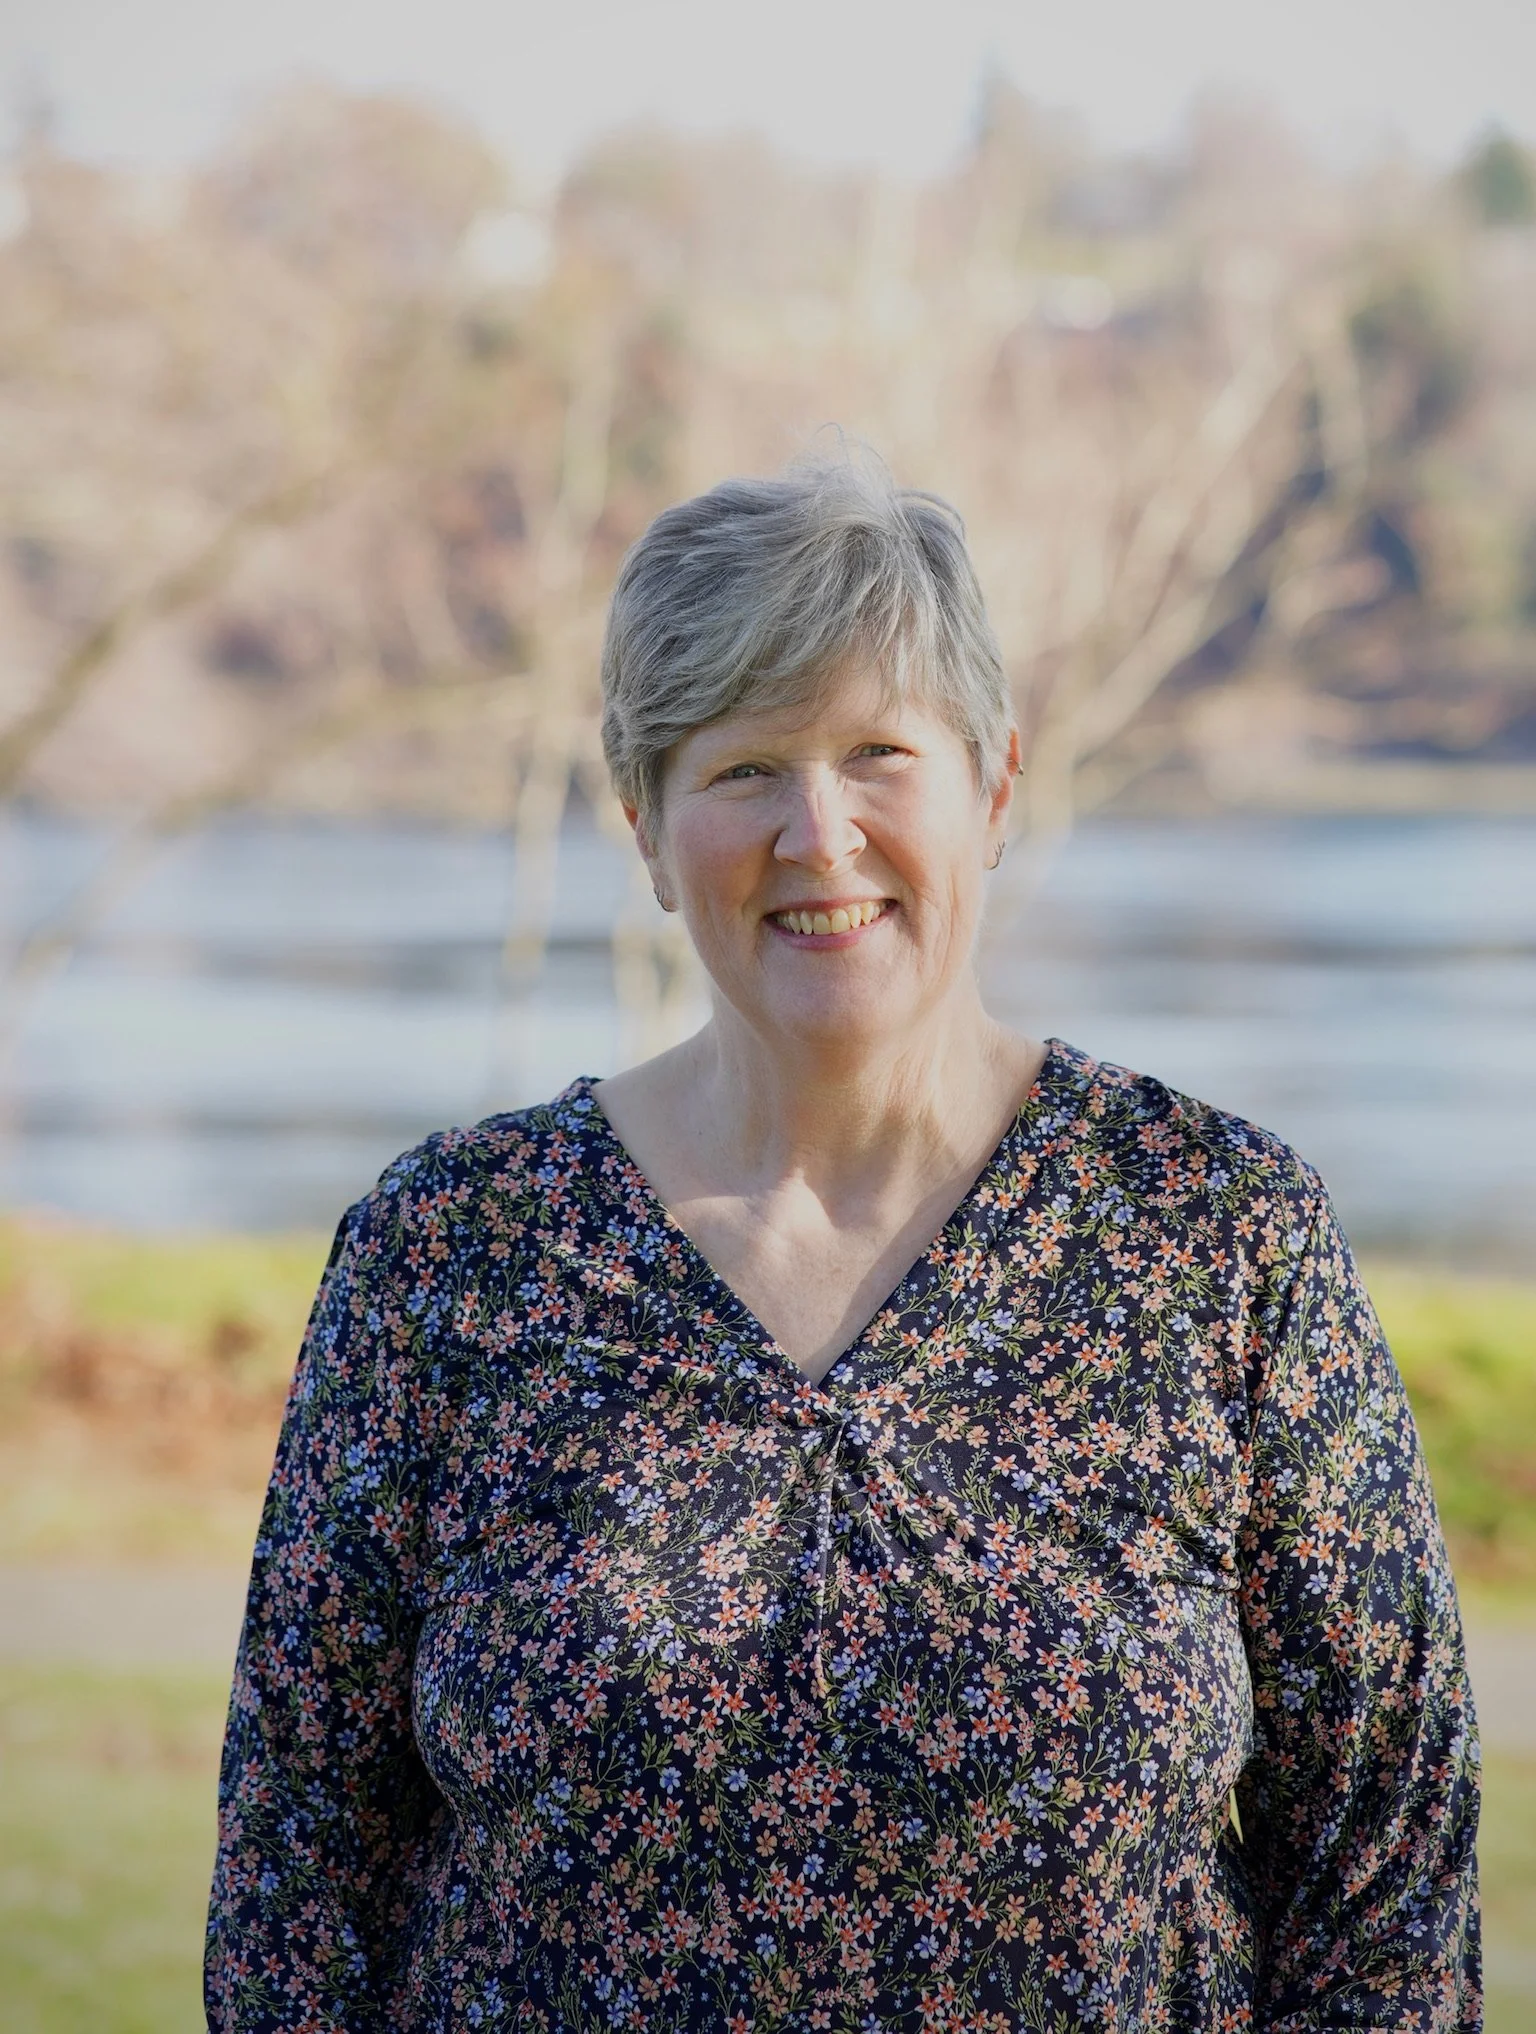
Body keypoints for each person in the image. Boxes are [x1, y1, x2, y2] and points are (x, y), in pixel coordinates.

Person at [206, 456, 1481, 2032]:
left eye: (880, 752)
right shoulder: (448, 1255)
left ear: (994, 788)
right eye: (745, 766)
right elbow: (294, 1894)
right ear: (645, 830)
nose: (821, 833)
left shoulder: (1219, 1233)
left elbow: (1387, 1887)